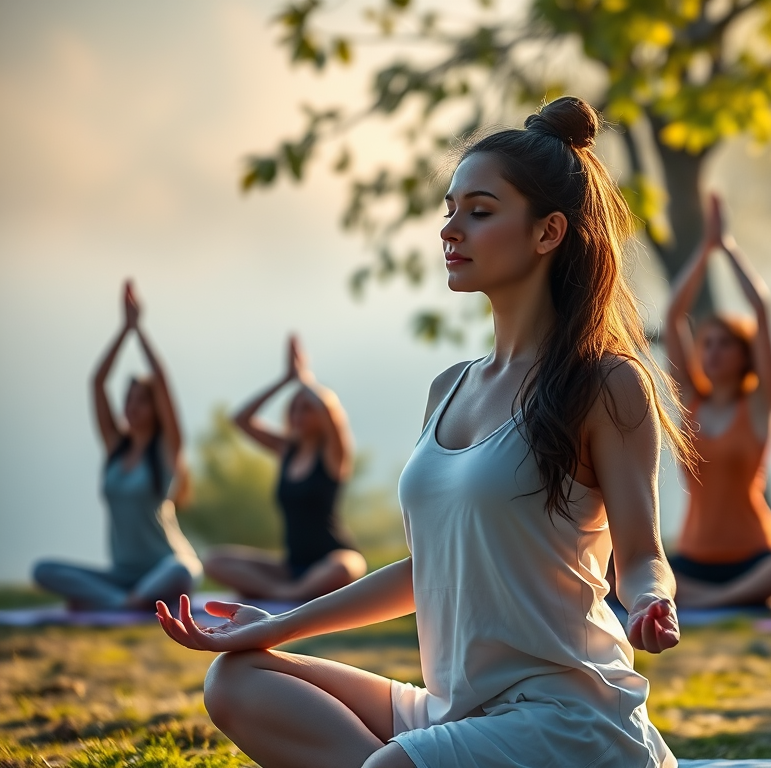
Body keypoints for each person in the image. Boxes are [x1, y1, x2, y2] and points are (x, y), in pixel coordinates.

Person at [154, 96, 687, 768]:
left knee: (391, 766)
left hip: (568, 717)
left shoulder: (605, 384)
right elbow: (426, 567)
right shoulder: (450, 389)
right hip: (452, 707)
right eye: (450, 209)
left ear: (549, 232)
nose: (450, 230)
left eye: (480, 211)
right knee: (236, 680)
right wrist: (278, 626)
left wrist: (651, 601)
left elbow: (641, 555)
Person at [662, 194, 771, 608]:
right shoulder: (689, 401)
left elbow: (761, 309)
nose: (713, 353)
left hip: (756, 556)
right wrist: (703, 252)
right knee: (614, 561)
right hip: (695, 557)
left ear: (744, 355)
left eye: (725, 346)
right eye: (708, 345)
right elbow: (671, 316)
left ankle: (711, 600)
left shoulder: (758, 404)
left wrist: (728, 249)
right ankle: (730, 598)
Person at [33, 281, 201, 610]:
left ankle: (115, 602)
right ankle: (125, 602)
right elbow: (97, 382)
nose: (131, 408)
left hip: (164, 569)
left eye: (141, 402)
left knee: (183, 569)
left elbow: (163, 381)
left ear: (156, 409)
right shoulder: (115, 448)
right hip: (121, 575)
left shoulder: (167, 448)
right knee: (42, 570)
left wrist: (140, 330)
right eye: (128, 400)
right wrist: (123, 330)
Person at [202, 335, 366, 602]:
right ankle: (287, 594)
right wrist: (285, 379)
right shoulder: (286, 450)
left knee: (347, 566)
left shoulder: (335, 453)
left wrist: (305, 379)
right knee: (213, 560)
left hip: (329, 561)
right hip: (291, 567)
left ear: (322, 416)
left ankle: (284, 595)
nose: (298, 416)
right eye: (294, 409)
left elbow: (328, 409)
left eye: (306, 409)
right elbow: (241, 419)